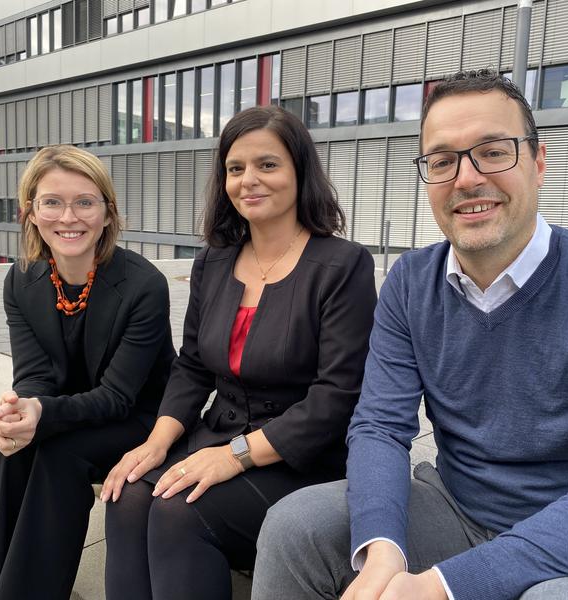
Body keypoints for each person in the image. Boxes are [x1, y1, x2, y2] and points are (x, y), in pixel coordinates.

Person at [252, 69, 568, 600]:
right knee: (296, 524)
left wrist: (440, 586)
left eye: (494, 151)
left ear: (539, 162)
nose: (466, 178)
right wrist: (382, 547)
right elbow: (381, 427)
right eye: (442, 160)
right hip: (454, 506)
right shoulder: (412, 281)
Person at [101, 105, 377, 600]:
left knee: (178, 509)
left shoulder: (342, 265)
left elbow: (338, 396)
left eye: (267, 165)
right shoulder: (214, 261)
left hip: (300, 457)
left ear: (299, 171)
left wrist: (236, 456)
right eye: (235, 168)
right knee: (126, 494)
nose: (249, 179)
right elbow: (191, 367)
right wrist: (157, 443)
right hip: (218, 431)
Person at [0, 145, 176, 600]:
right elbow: (33, 376)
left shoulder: (144, 285)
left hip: (138, 422)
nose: (69, 217)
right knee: (2, 454)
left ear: (108, 214)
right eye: (52, 202)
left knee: (55, 457)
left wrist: (41, 414)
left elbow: (118, 396)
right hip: (68, 412)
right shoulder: (21, 278)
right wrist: (18, 408)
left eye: (85, 202)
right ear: (30, 212)